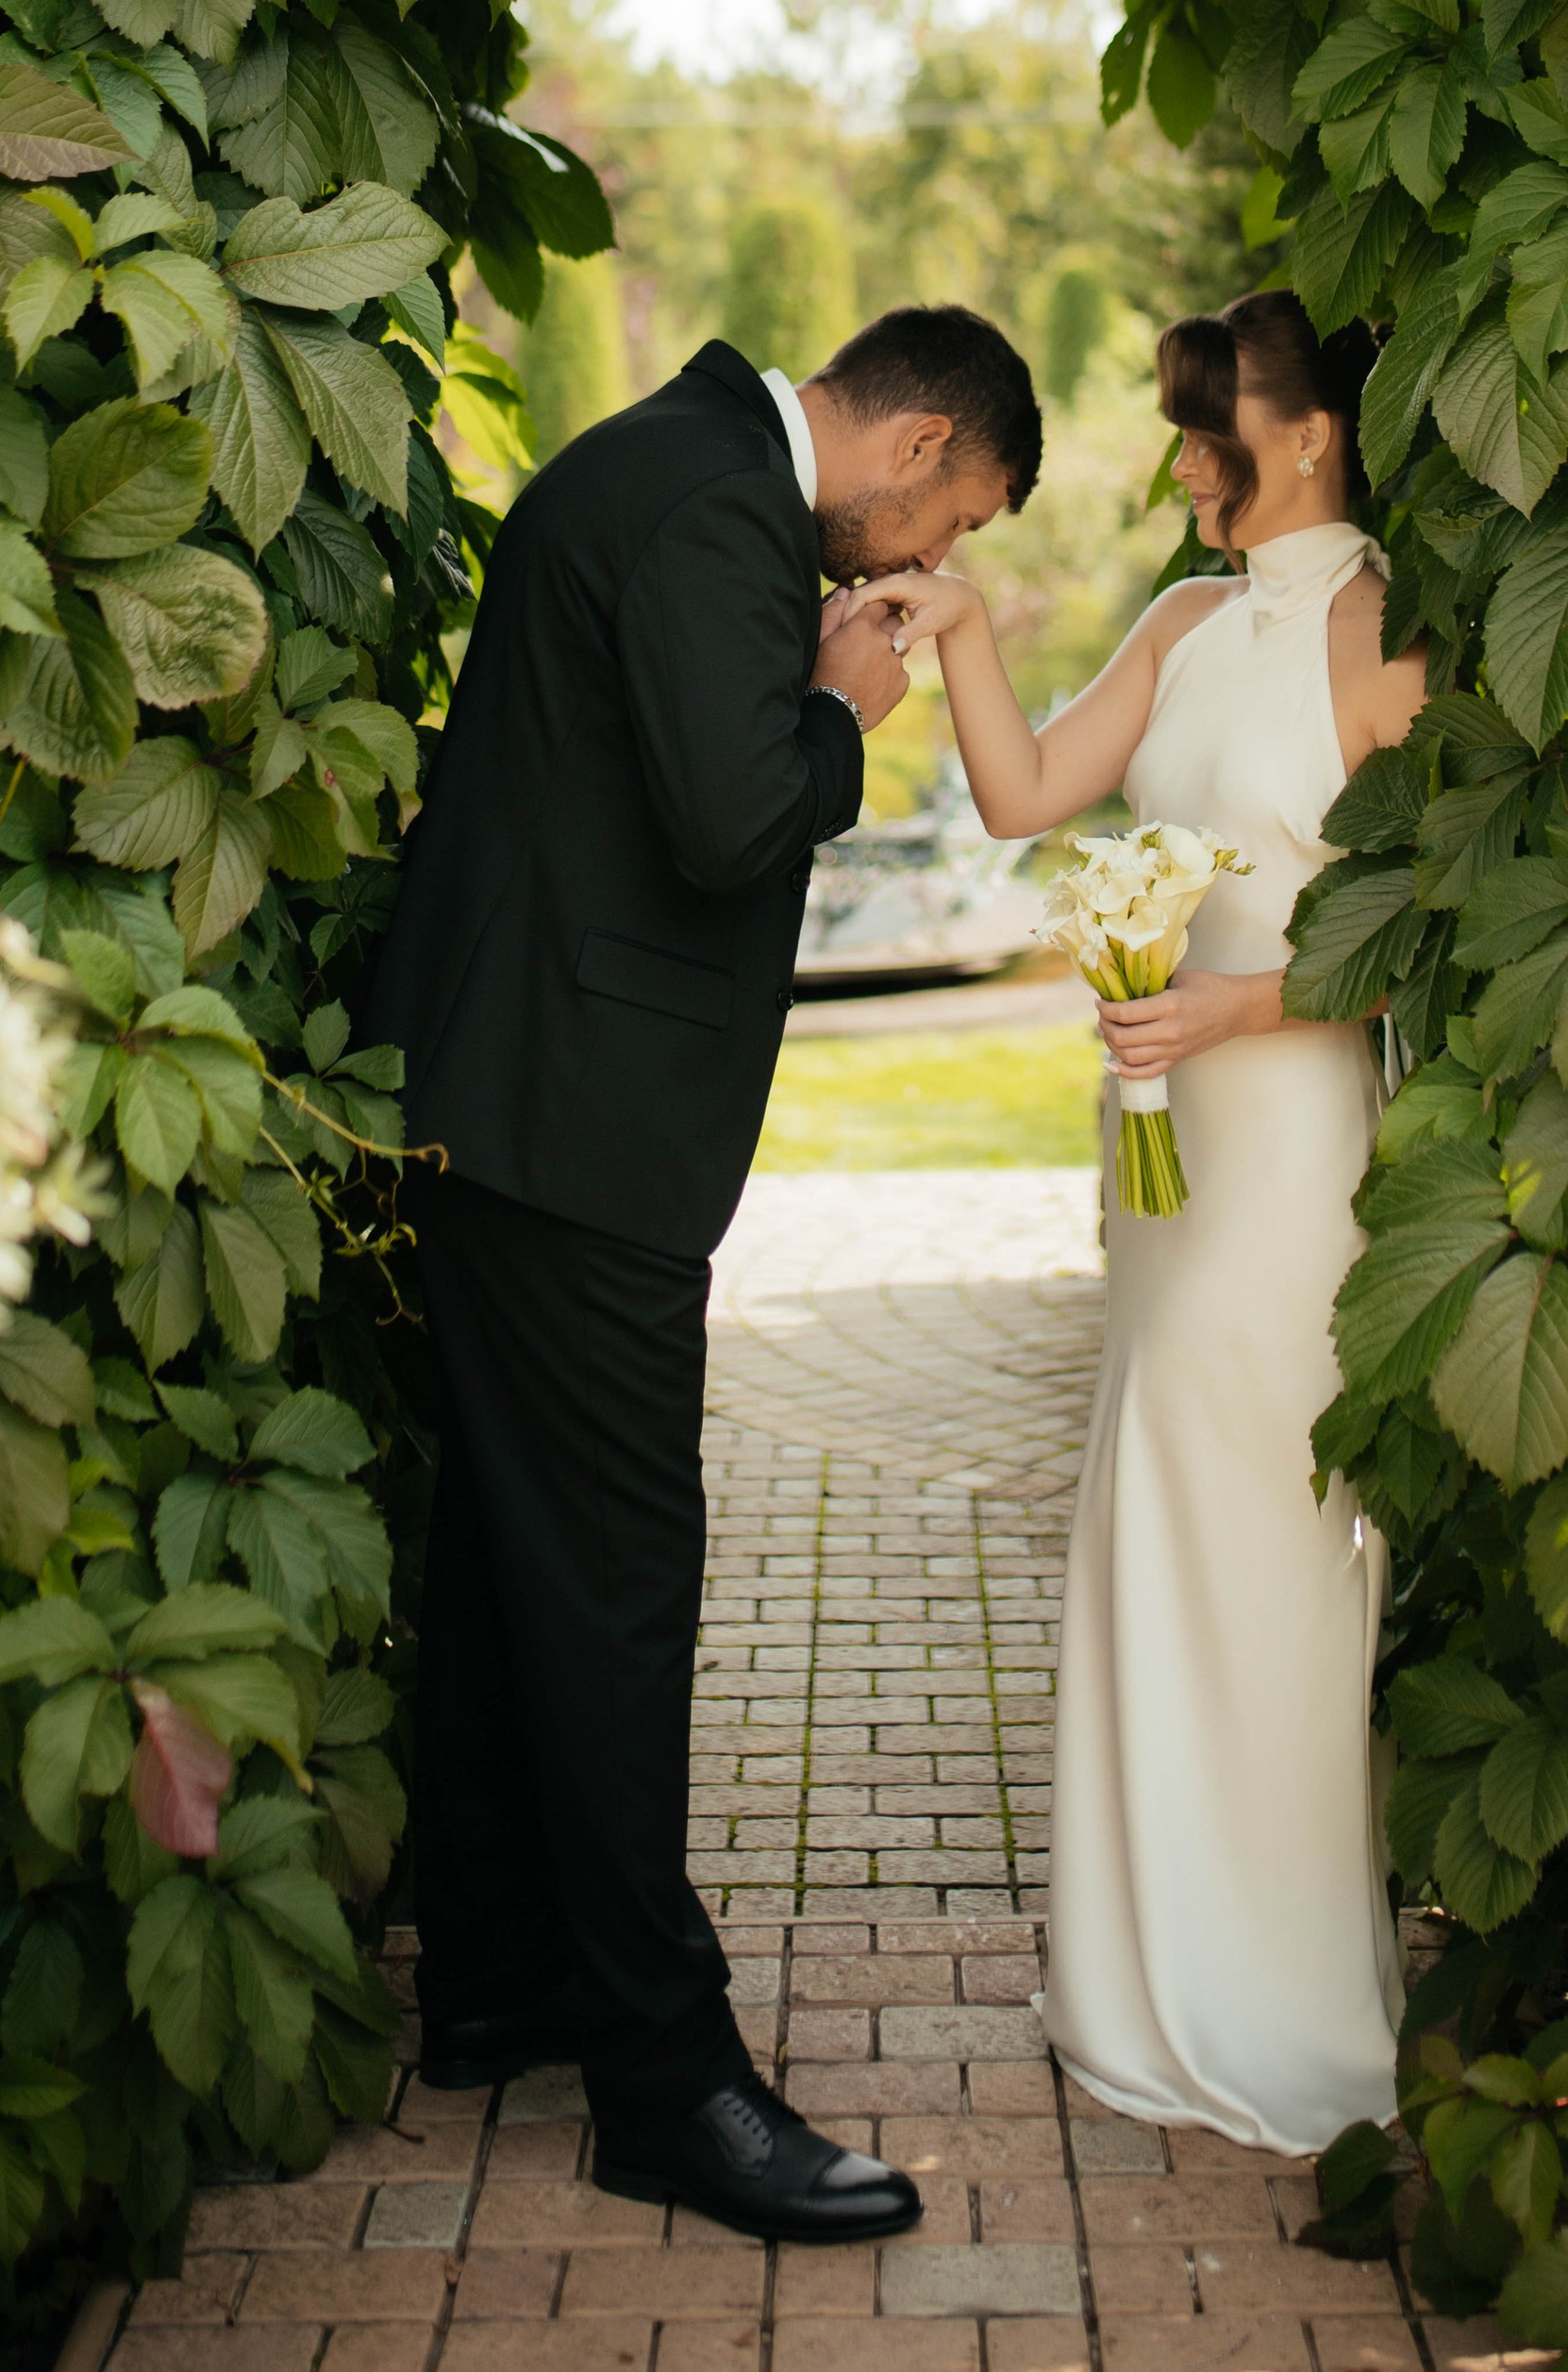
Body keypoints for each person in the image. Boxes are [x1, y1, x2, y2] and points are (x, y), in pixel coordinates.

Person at [364, 308, 1042, 2241]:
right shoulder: (721, 508)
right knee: (615, 1591)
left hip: (507, 1109)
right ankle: (668, 2090)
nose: (930, 559)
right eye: (950, 523)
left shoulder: (669, 468)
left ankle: (494, 1986)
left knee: (504, 1569)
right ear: (917, 443)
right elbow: (733, 811)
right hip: (571, 1130)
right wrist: (844, 708)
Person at [851, 290, 1426, 2154]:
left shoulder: (1388, 638)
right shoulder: (1183, 623)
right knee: (1156, 1522)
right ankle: (1138, 1974)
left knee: (1275, 1542)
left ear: (1310, 437)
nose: (1184, 469)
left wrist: (1236, 1007)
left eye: (1208, 433)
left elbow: (1424, 925)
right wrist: (960, 627)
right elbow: (1023, 793)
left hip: (1293, 1159)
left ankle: (1280, 1987)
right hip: (1165, 1158)